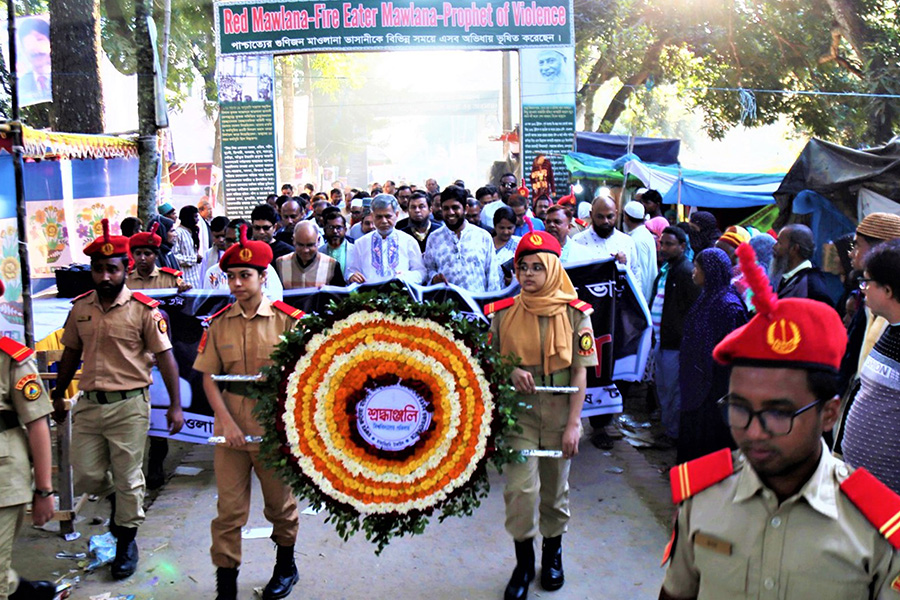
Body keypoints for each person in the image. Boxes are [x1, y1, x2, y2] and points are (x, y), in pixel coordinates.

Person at [659, 242, 900, 600]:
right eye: (739, 407)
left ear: (829, 415)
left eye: (779, 413)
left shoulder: (877, 524)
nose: (754, 432)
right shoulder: (702, 497)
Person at [51, 220, 183, 581]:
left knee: (127, 478)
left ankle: (126, 540)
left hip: (130, 405)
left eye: (112, 268)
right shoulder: (80, 308)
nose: (105, 275)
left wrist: (175, 405)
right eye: (99, 269)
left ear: (125, 269)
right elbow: (69, 354)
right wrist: (57, 396)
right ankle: (120, 506)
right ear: (92, 272)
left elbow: (167, 358)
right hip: (89, 404)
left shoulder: (144, 310)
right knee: (89, 474)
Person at [487, 227, 597, 600]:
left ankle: (553, 554)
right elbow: (490, 360)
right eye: (523, 268)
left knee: (554, 491)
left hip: (560, 412)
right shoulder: (502, 313)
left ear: (552, 268)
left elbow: (581, 371)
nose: (529, 275)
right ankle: (522, 564)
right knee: (521, 490)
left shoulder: (577, 314)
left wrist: (573, 426)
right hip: (520, 415)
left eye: (537, 267)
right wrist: (510, 369)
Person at [193, 226, 303, 600]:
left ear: (262, 277)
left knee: (280, 507)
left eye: (245, 275)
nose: (237, 283)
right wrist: (225, 422)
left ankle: (286, 566)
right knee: (229, 513)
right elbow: (209, 378)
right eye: (231, 276)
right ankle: (227, 586)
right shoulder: (220, 322)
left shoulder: (289, 321)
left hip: (273, 430)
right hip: (232, 431)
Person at [0, 281, 55, 600]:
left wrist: (44, 490)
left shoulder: (12, 359)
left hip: (5, 479)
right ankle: (24, 592)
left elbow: (37, 424)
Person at [677, 248, 748, 463]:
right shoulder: (707, 299)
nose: (693, 272)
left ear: (710, 271)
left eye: (697, 268)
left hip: (713, 391)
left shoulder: (728, 306)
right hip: (696, 387)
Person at [840, 240, 900, 494]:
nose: (862, 290)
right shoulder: (888, 329)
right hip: (863, 484)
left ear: (887, 290)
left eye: (867, 282)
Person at [651, 226, 700, 445]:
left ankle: (673, 434)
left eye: (669, 244)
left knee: (673, 391)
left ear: (682, 246)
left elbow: (692, 309)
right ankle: (669, 430)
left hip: (675, 343)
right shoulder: (667, 269)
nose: (664, 248)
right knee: (664, 389)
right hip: (662, 340)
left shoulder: (685, 271)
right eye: (662, 244)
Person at [423, 185, 502, 292]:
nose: (450, 212)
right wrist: (434, 278)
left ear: (465, 209)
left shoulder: (483, 236)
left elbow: (492, 275)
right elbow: (429, 270)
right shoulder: (434, 238)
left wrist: (492, 306)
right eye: (446, 208)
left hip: (478, 305)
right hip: (446, 305)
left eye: (455, 207)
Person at [346, 194, 426, 285]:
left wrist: (406, 276)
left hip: (401, 294)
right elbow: (351, 271)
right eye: (379, 217)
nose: (384, 221)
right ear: (372, 216)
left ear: (396, 215)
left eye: (388, 216)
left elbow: (421, 272)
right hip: (369, 295)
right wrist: (352, 276)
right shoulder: (361, 243)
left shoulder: (408, 241)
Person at [573, 195, 642, 291]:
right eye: (600, 217)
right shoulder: (577, 242)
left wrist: (622, 266)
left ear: (616, 214)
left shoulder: (627, 241)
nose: (605, 221)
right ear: (591, 214)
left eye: (610, 216)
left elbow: (636, 276)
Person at [204, 219, 284, 302]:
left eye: (236, 241)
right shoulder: (213, 273)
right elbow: (208, 307)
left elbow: (276, 303)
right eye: (229, 240)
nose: (232, 245)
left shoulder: (265, 269)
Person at [772, 224, 835, 307]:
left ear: (794, 249)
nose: (774, 247)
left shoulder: (812, 286)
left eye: (779, 243)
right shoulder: (788, 277)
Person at [275, 221, 345, 288]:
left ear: (318, 241)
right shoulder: (280, 264)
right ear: (293, 240)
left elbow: (340, 296)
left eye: (310, 245)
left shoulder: (332, 265)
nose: (305, 250)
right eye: (300, 245)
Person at [127, 223, 191, 292]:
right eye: (138, 254)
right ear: (133, 255)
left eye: (147, 254)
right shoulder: (125, 280)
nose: (142, 258)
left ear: (156, 255)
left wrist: (185, 287)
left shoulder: (170, 279)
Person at [623, 200, 659, 303]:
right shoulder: (644, 234)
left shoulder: (637, 240)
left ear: (627, 217)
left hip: (642, 299)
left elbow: (641, 273)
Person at [172, 206, 204, 289]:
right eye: (195, 217)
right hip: (185, 280)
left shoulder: (192, 232)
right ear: (188, 218)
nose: (197, 220)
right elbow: (175, 257)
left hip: (196, 279)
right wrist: (194, 259)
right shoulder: (178, 233)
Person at [319, 208, 353, 277]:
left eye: (338, 227)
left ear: (345, 230)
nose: (335, 231)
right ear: (325, 230)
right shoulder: (319, 252)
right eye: (331, 227)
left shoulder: (356, 251)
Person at [201, 216, 231, 283]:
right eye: (217, 237)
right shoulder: (208, 255)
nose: (221, 240)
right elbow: (203, 279)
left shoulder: (236, 253)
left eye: (223, 236)